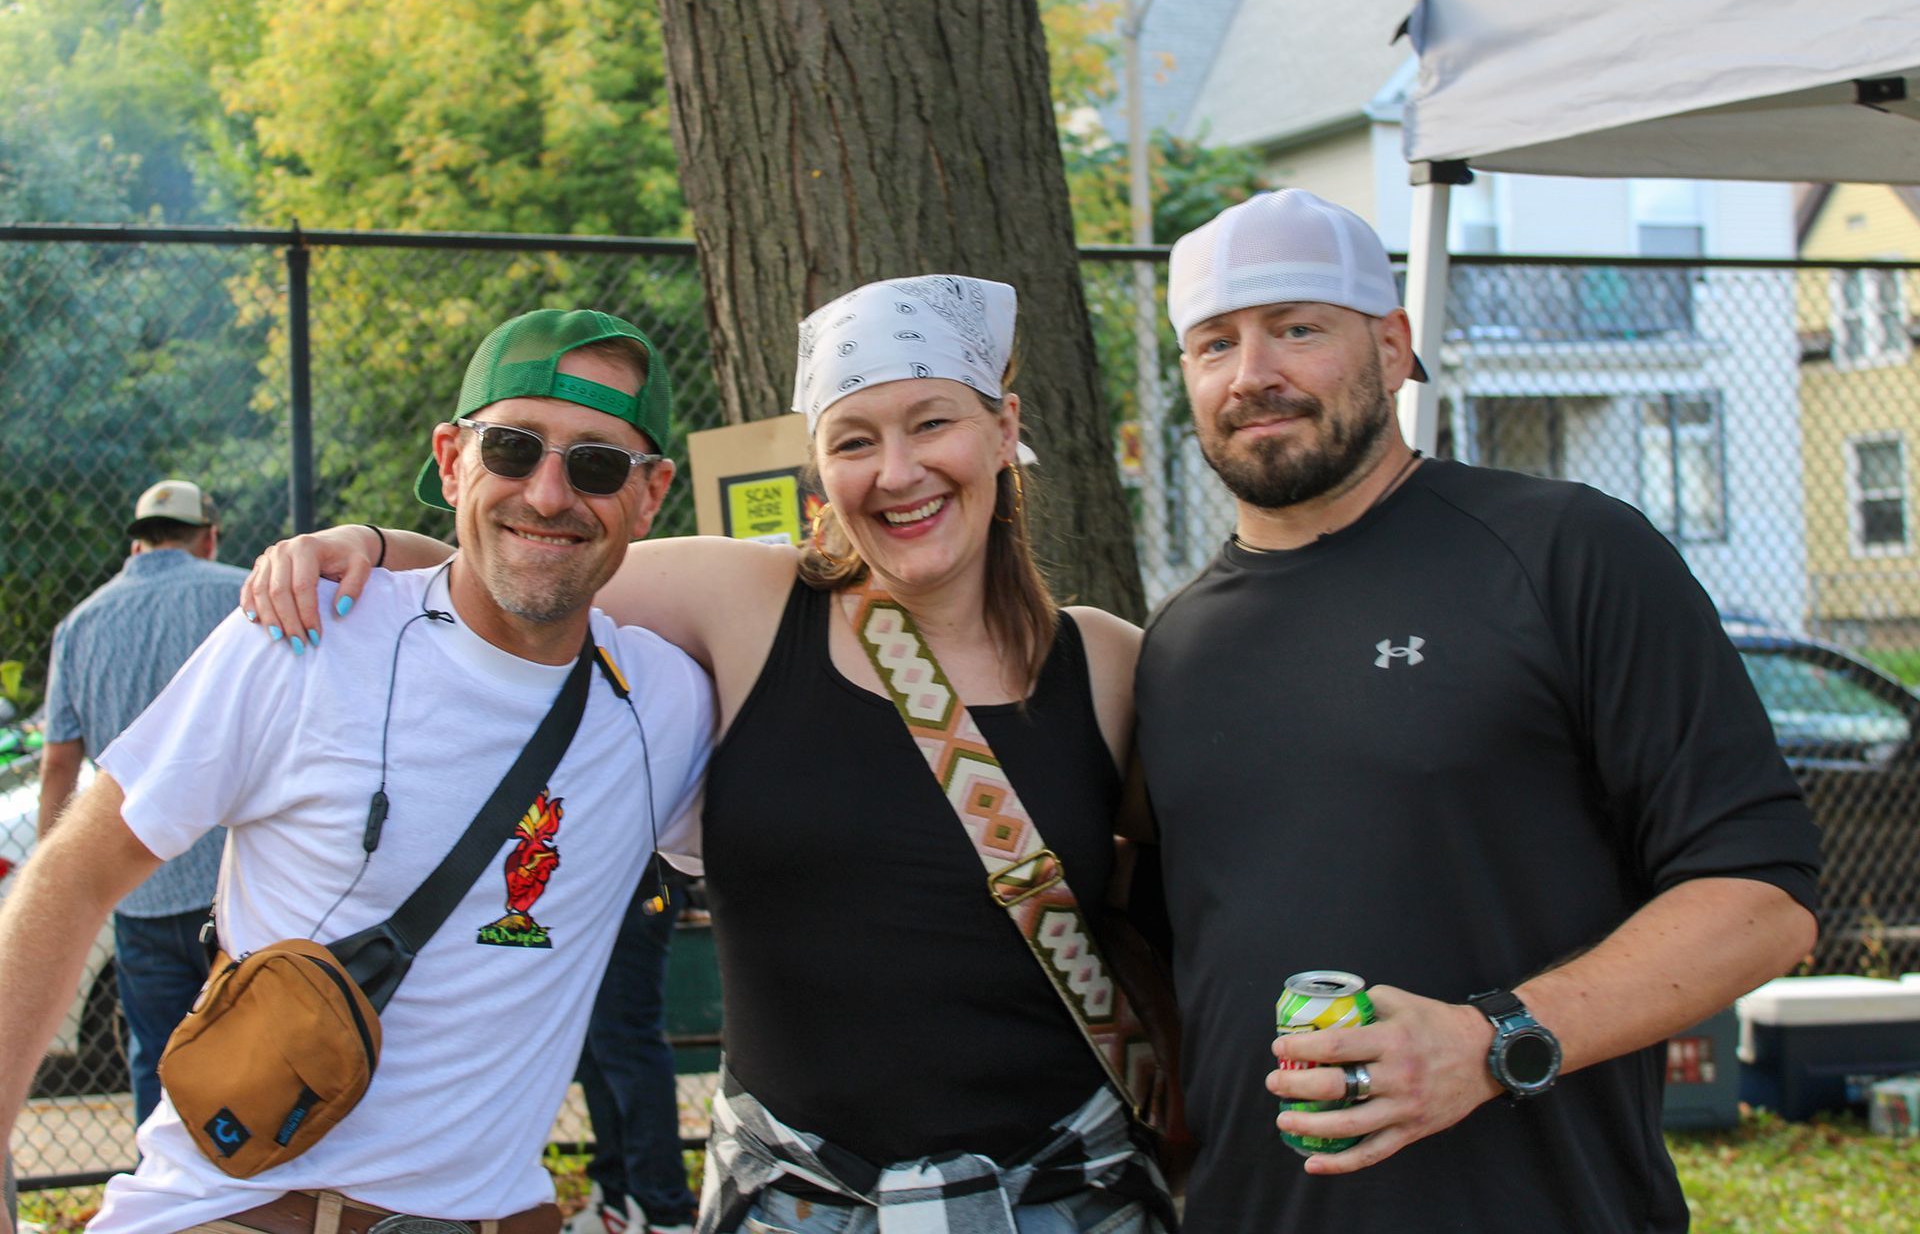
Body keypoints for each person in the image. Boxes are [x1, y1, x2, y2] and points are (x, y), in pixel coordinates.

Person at [240, 274, 1175, 1234]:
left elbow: (1233, 879)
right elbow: (527, 562)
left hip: (1067, 1193)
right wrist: (363, 543)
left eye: (931, 424)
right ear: (819, 468)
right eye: (855, 440)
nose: (896, 473)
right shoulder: (749, 604)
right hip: (795, 1198)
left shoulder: (1107, 666)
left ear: (1001, 426)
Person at [1133, 189, 1823, 1233]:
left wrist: (1493, 1040)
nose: (1252, 374)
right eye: (1213, 342)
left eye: (1299, 328)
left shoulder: (1565, 552)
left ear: (1396, 343)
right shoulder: (1175, 645)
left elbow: (1763, 896)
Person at [0, 308, 713, 1234]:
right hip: (243, 1213)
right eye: (511, 448)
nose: (547, 493)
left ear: (650, 492)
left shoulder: (664, 705)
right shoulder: (307, 635)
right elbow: (76, 868)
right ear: (452, 460)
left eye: (597, 464)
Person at [39, 479, 250, 1123]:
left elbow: (57, 765)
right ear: (208, 536)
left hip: (140, 890)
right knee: (256, 1055)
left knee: (157, 1064)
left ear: (137, 540)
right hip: (238, 882)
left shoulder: (79, 625)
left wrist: (61, 882)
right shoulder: (242, 594)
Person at [567, 864, 697, 1234]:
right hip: (595, 876)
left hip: (643, 878)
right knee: (598, 1043)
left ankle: (664, 1212)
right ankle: (617, 1201)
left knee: (626, 1037)